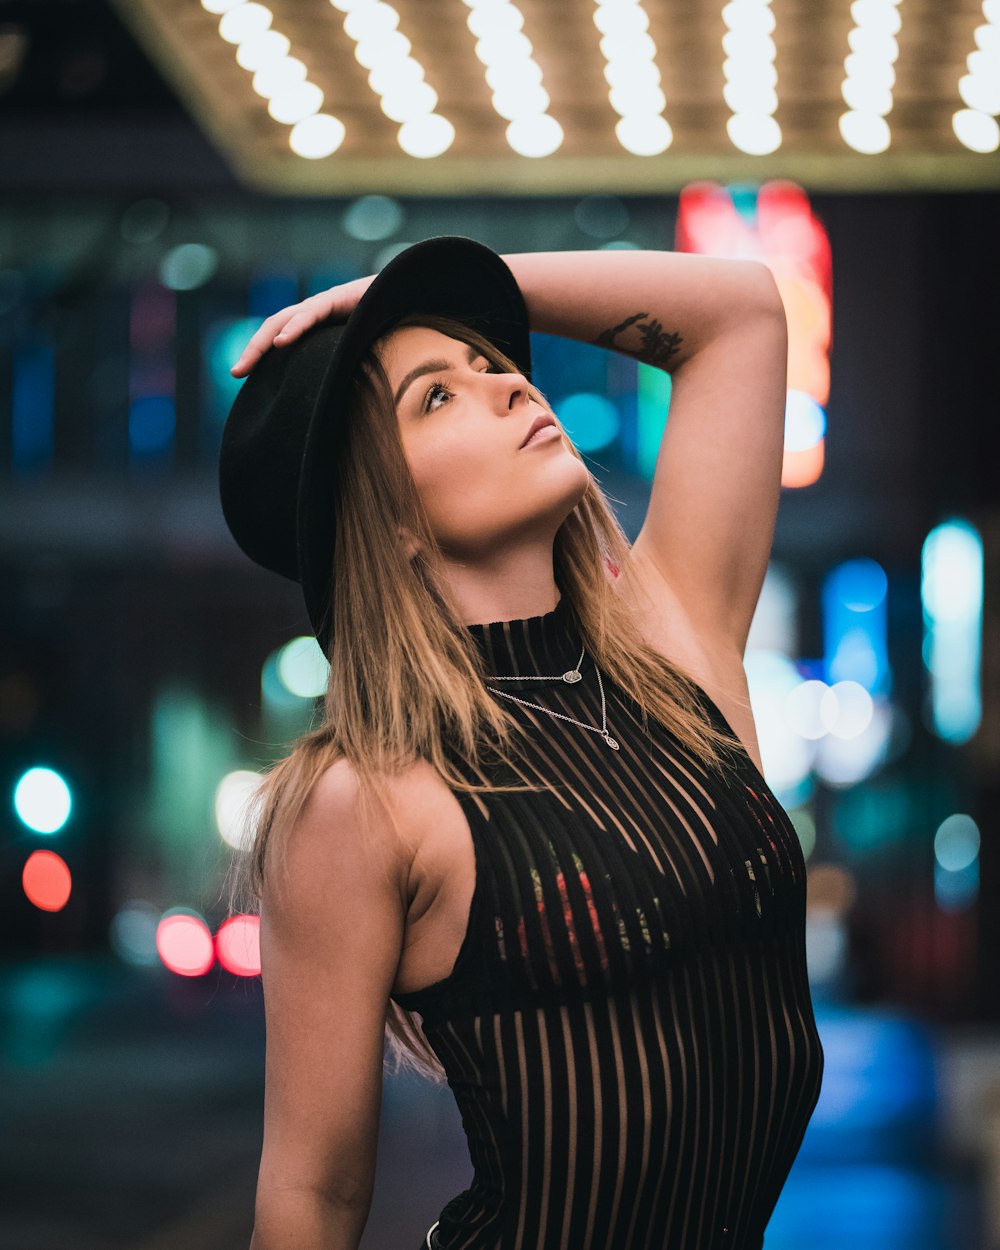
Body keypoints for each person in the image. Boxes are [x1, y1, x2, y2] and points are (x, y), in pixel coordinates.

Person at [218, 235, 824, 1250]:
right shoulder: (368, 796)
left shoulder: (670, 654)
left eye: (489, 360)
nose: (504, 386)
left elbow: (742, 312)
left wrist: (390, 295)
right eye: (436, 396)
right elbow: (312, 1192)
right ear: (391, 517)